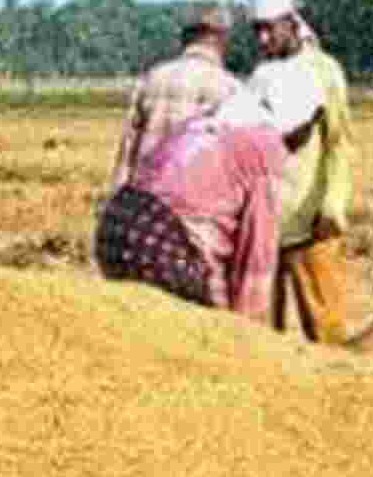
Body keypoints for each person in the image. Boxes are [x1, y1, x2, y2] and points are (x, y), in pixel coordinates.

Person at [94, 80, 323, 324]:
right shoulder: (265, 145)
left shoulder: (210, 120)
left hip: (118, 223)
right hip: (162, 240)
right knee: (201, 326)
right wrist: (246, 331)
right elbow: (255, 254)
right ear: (298, 121)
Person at [247, 0, 356, 345]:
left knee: (325, 332)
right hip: (266, 225)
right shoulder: (260, 77)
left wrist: (333, 204)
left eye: (269, 29)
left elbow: (340, 143)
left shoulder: (324, 71)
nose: (262, 39)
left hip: (311, 225)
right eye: (256, 30)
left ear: (291, 23)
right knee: (260, 336)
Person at [109, 2, 241, 190]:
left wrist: (115, 199)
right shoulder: (229, 88)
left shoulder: (151, 78)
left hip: (144, 199)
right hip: (195, 200)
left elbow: (127, 155)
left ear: (185, 36)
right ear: (222, 37)